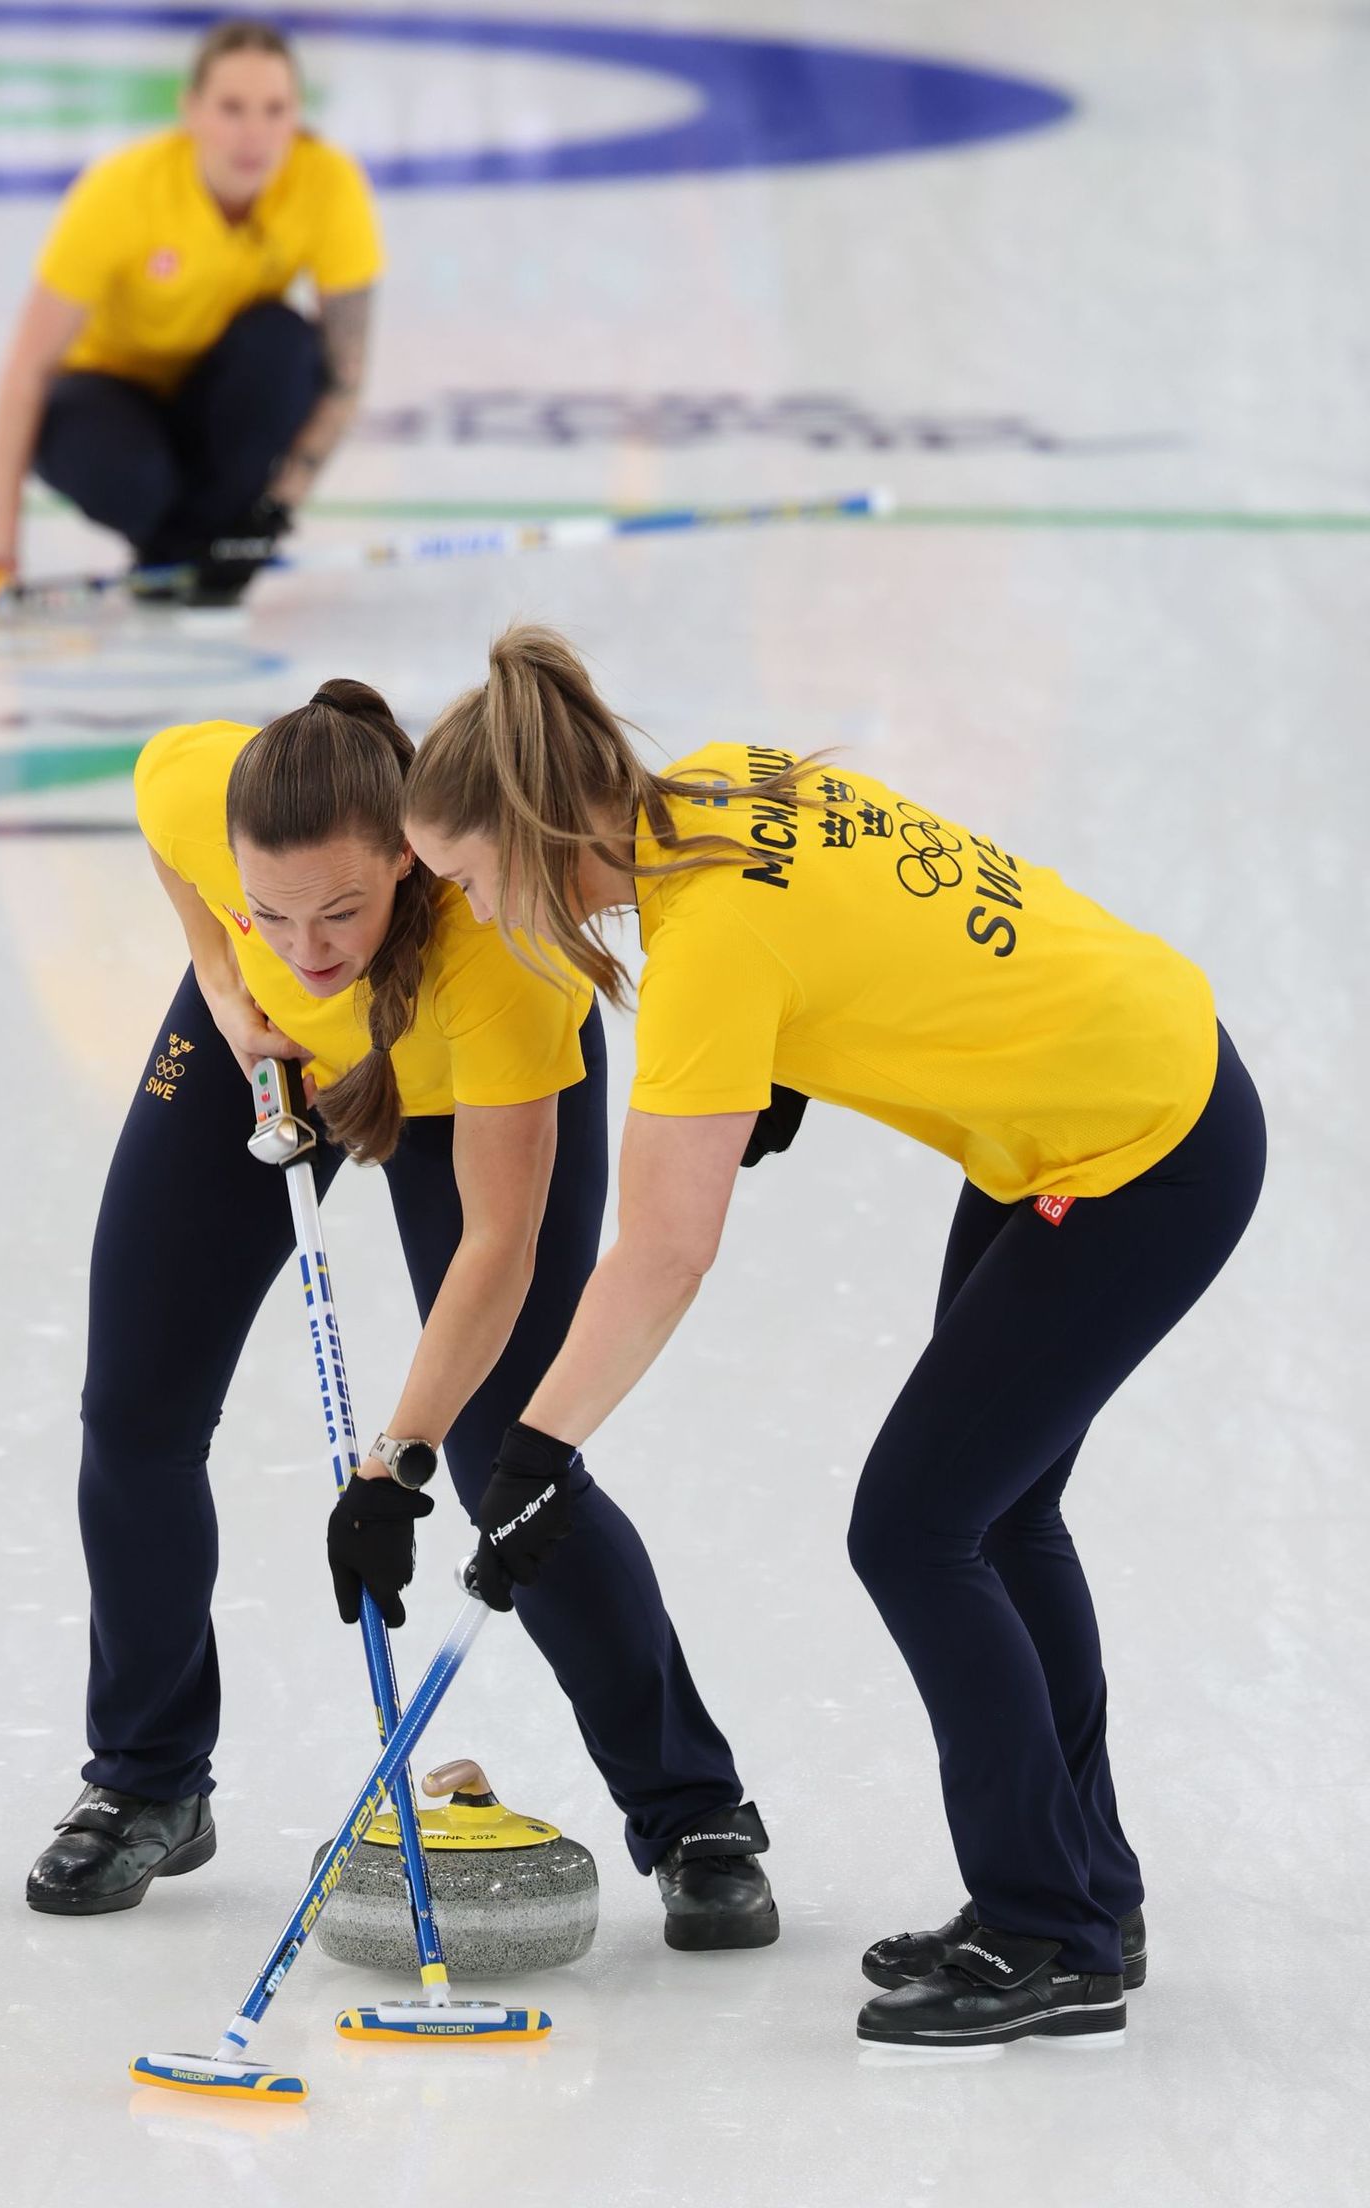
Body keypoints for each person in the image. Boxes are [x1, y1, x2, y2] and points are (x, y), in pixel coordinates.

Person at [400, 624, 1267, 2051]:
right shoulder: (720, 784)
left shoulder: (706, 957)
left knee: (919, 1528)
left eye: (472, 879)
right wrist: (785, 1056)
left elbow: (666, 1247)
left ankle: (1049, 1929)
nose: (474, 914)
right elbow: (865, 909)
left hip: (1139, 1153)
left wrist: (543, 1444)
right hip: (1104, 1090)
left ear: (546, 836)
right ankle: (1084, 1886)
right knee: (995, 1511)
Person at [24, 682, 779, 1952]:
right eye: (274, 908)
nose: (308, 945)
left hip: (460, 1091)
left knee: (506, 1462)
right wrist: (225, 975)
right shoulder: (212, 807)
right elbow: (166, 820)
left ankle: (693, 1810)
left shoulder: (502, 956)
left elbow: (497, 1245)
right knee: (135, 1413)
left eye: (341, 909)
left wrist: (396, 1464)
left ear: (412, 863)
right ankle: (147, 1775)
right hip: (261, 1056)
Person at [0, 19, 381, 611]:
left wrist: (275, 509)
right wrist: (2, 544)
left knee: (285, 347)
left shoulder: (329, 184)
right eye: (232, 108)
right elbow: (28, 369)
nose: (254, 134)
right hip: (107, 392)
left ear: (297, 115)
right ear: (191, 111)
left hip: (216, 395)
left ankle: (191, 547)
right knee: (124, 473)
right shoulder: (121, 191)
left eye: (274, 109)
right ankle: (180, 548)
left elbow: (345, 375)